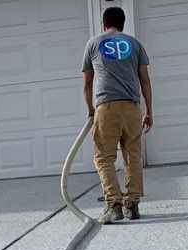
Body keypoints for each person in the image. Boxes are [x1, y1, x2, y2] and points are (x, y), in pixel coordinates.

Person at [81, 6, 152, 223]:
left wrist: (90, 109)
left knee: (104, 157)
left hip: (107, 107)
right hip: (132, 108)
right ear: (123, 24)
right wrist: (149, 111)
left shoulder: (93, 43)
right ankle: (132, 206)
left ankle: (114, 206)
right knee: (133, 157)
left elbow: (87, 83)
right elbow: (145, 80)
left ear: (104, 23)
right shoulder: (135, 44)